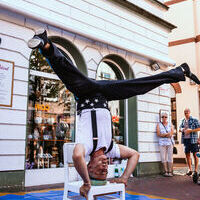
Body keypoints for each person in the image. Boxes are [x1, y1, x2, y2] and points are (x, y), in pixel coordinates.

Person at [28, 29, 200, 198]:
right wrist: (124, 178)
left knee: (69, 73)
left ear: (89, 167)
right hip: (104, 94)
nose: (105, 166)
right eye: (105, 171)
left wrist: (86, 183)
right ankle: (179, 72)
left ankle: (45, 44)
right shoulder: (111, 150)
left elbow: (76, 155)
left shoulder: (86, 147)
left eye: (99, 170)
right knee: (138, 86)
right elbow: (135, 155)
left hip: (85, 93)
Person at [179, 108, 200, 180]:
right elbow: (179, 129)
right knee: (187, 155)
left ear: (189, 112)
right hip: (186, 140)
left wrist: (191, 130)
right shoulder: (182, 120)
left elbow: (199, 128)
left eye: (187, 112)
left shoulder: (194, 119)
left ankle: (196, 171)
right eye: (185, 112)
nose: (186, 113)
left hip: (193, 140)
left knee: (195, 155)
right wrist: (182, 129)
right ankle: (190, 170)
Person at [156, 112, 174, 177]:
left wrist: (163, 134)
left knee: (170, 157)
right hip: (162, 143)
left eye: (165, 117)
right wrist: (166, 134)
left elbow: (171, 133)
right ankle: (165, 171)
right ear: (161, 118)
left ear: (167, 118)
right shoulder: (159, 125)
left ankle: (170, 171)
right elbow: (158, 134)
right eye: (162, 117)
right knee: (163, 157)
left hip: (170, 143)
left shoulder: (170, 124)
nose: (164, 118)